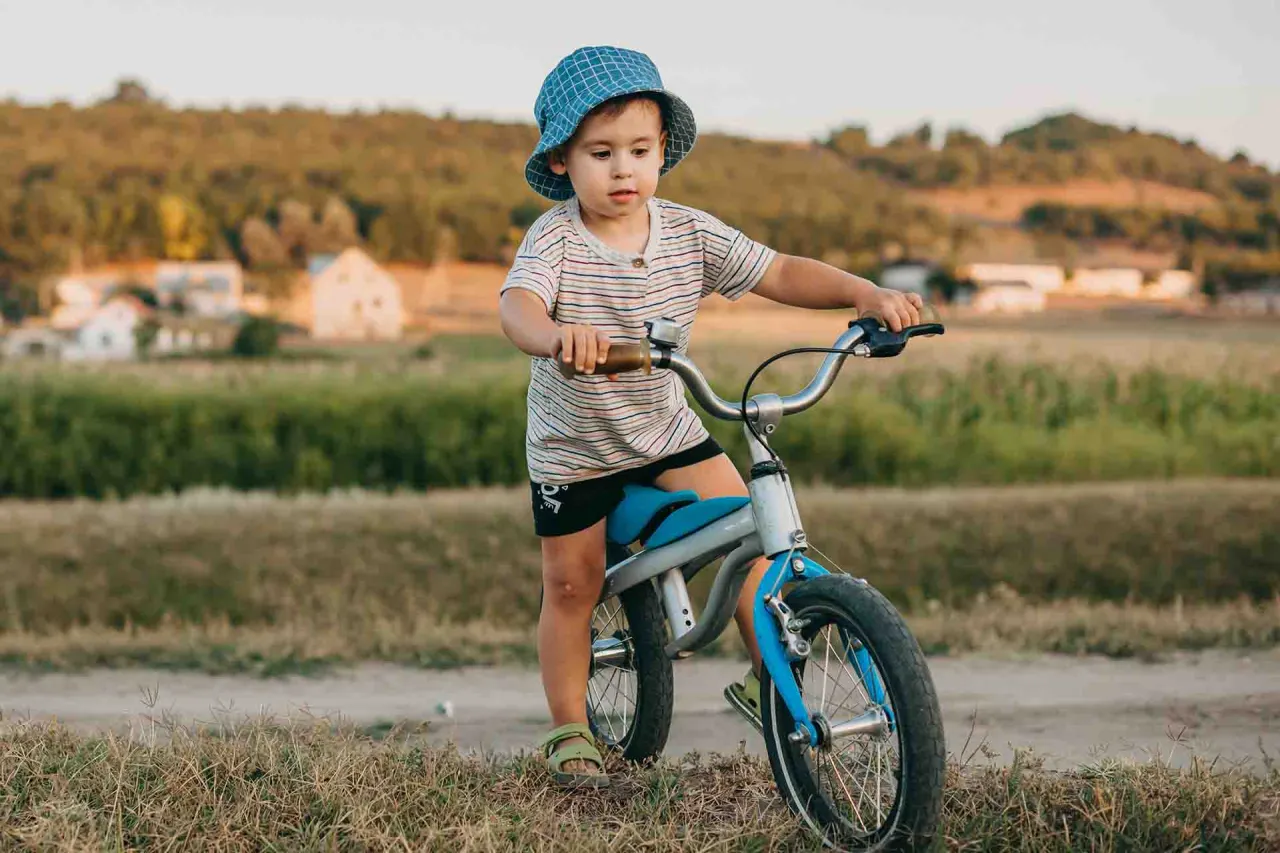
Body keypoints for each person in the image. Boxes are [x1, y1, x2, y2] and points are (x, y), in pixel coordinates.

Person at [499, 46, 923, 788]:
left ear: (664, 151)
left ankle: (773, 682)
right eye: (601, 153)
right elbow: (518, 306)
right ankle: (570, 725)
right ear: (563, 161)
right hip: (577, 449)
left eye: (639, 150)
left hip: (666, 429)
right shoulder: (556, 240)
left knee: (757, 534)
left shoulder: (690, 233)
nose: (623, 170)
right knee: (572, 584)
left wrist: (862, 292)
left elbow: (779, 270)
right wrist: (554, 337)